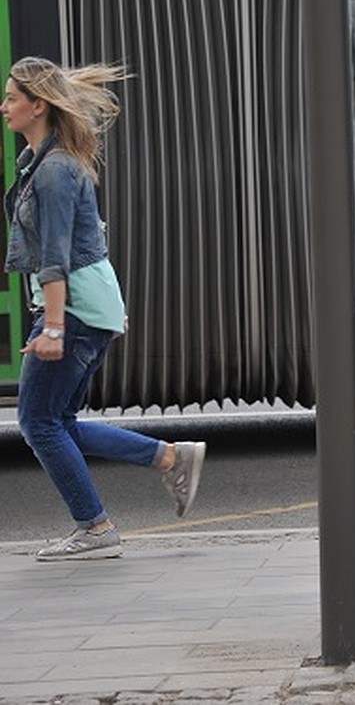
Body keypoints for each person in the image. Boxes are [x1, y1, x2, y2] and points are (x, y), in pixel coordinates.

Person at [3, 56, 206, 561]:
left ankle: (95, 528)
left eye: (11, 98)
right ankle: (170, 457)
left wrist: (52, 327)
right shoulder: (49, 162)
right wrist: (104, 309)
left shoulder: (52, 170)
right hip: (87, 306)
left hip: (69, 309)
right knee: (59, 420)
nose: (3, 106)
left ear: (38, 105)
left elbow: (56, 256)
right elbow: (91, 239)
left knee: (39, 423)